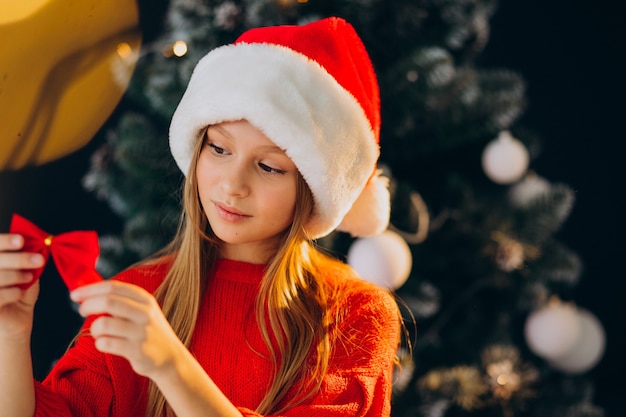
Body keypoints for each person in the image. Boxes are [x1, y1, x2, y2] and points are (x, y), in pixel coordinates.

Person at [0, 16, 401, 417]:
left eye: (269, 167)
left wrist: (171, 367)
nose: (232, 185)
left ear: (313, 189)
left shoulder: (356, 316)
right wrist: (11, 335)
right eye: (219, 149)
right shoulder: (141, 293)